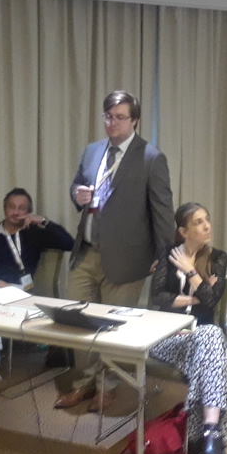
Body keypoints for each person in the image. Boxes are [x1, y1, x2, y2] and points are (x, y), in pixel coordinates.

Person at [54, 90, 175, 412]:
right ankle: (83, 385)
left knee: (112, 329)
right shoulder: (92, 151)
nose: (112, 123)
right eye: (108, 116)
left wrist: (164, 258)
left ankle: (106, 388)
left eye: (120, 117)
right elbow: (77, 185)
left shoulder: (151, 158)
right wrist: (76, 194)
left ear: (135, 120)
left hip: (128, 259)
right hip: (86, 252)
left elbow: (163, 212)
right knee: (78, 325)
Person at [0, 187, 74, 409]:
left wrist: (43, 221)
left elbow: (69, 243)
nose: (16, 212)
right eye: (12, 207)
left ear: (28, 212)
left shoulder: (33, 234)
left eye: (22, 208)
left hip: (19, 294)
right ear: (4, 208)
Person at [149, 202, 227, 454]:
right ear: (184, 231)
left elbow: (211, 301)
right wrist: (192, 298)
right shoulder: (168, 254)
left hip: (200, 338)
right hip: (168, 337)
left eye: (207, 219)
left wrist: (190, 271)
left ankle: (207, 438)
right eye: (198, 222)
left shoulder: (218, 258)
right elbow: (157, 297)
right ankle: (211, 440)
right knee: (213, 349)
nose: (207, 226)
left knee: (210, 336)